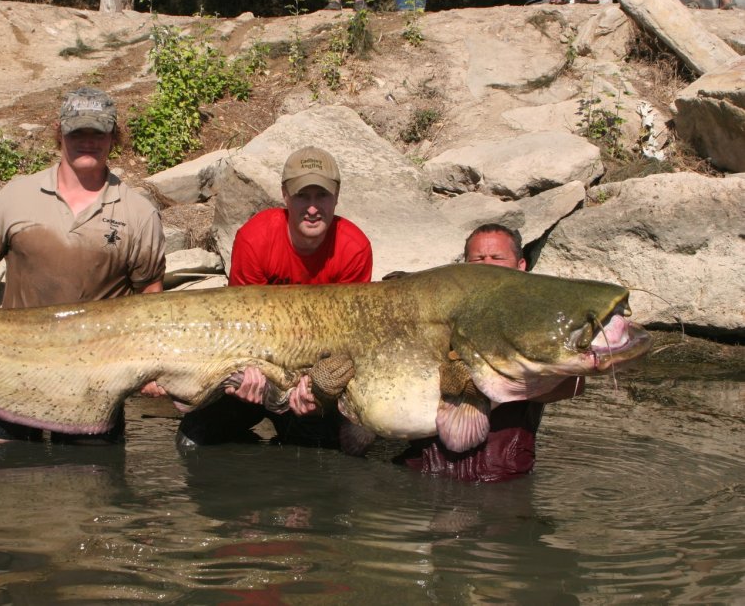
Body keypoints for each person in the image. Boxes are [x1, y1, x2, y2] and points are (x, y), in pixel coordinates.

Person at [0, 87, 166, 445]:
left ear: (114, 136)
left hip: (93, 383)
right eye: (78, 133)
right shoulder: (17, 195)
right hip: (7, 370)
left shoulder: (138, 213)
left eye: (99, 133)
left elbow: (151, 298)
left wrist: (153, 367)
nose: (88, 142)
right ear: (59, 133)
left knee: (90, 492)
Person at [176, 145, 373, 449]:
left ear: (336, 196)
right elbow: (239, 327)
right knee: (192, 439)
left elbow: (348, 340)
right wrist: (244, 376)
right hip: (257, 368)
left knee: (326, 454)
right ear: (284, 196)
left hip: (314, 377)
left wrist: (315, 388)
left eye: (321, 196)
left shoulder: (353, 249)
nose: (312, 207)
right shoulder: (255, 239)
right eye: (301, 196)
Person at [392, 223, 584, 482]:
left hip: (502, 477)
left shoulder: (539, 322)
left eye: (497, 258)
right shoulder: (434, 317)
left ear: (521, 266)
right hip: (425, 470)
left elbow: (575, 384)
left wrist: (498, 383)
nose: (487, 265)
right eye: (478, 259)